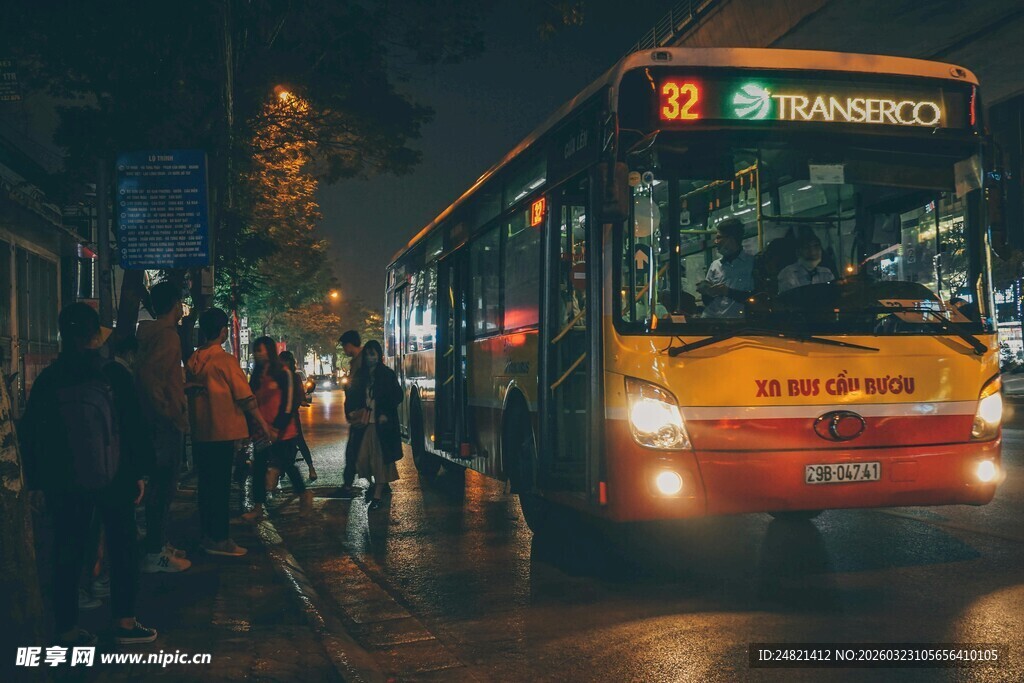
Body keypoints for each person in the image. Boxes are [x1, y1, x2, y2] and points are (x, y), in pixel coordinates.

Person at [20, 303, 157, 646]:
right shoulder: (113, 375)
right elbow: (135, 427)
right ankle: (124, 622)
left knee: (67, 549)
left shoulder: (49, 379)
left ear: (63, 334)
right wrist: (140, 472)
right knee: (122, 545)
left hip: (63, 481)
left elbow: (33, 434)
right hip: (116, 476)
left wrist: (36, 483)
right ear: (96, 335)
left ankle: (66, 629)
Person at [186, 308, 273, 556]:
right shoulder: (225, 361)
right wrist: (263, 425)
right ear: (223, 331)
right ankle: (220, 539)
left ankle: (207, 535)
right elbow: (246, 397)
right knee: (221, 489)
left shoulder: (194, 360)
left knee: (206, 487)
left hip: (201, 433)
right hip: (222, 433)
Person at [136, 281, 191, 573]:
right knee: (164, 488)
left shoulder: (148, 334)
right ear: (175, 305)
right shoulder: (169, 337)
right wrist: (169, 411)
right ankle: (156, 553)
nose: (183, 307)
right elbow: (151, 378)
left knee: (159, 487)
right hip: (164, 424)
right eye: (181, 302)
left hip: (155, 421)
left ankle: (158, 545)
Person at [241, 338, 313, 521]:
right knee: (258, 468)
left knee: (287, 465)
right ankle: (258, 507)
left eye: (261, 349)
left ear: (270, 351)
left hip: (282, 431)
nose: (258, 353)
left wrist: (277, 427)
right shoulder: (257, 374)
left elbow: (288, 404)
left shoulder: (283, 373)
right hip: (261, 431)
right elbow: (252, 401)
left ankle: (304, 495)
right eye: (255, 350)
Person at [355, 341, 403, 511]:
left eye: (373, 354)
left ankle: (377, 495)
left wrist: (385, 413)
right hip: (365, 424)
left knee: (380, 461)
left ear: (379, 355)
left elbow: (398, 396)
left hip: (381, 426)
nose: (370, 358)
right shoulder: (362, 375)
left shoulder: (387, 374)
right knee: (362, 459)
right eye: (367, 354)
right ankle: (373, 485)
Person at [696, 218, 754, 318]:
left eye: (719, 237)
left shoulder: (752, 263)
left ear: (730, 239)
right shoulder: (715, 265)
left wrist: (727, 292)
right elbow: (707, 301)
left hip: (739, 324)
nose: (715, 241)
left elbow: (756, 298)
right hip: (712, 321)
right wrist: (705, 290)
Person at [279, 350, 316, 482]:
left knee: (300, 441)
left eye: (285, 361)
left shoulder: (295, 377)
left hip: (292, 416)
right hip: (279, 416)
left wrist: (301, 400)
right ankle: (281, 470)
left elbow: (299, 395)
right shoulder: (278, 377)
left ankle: (311, 468)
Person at [337, 329, 364, 498]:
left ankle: (347, 484)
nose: (343, 350)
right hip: (359, 413)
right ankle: (380, 484)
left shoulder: (361, 361)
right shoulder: (358, 361)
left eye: (343, 346)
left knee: (354, 450)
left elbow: (359, 388)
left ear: (349, 344)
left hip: (360, 414)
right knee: (359, 449)